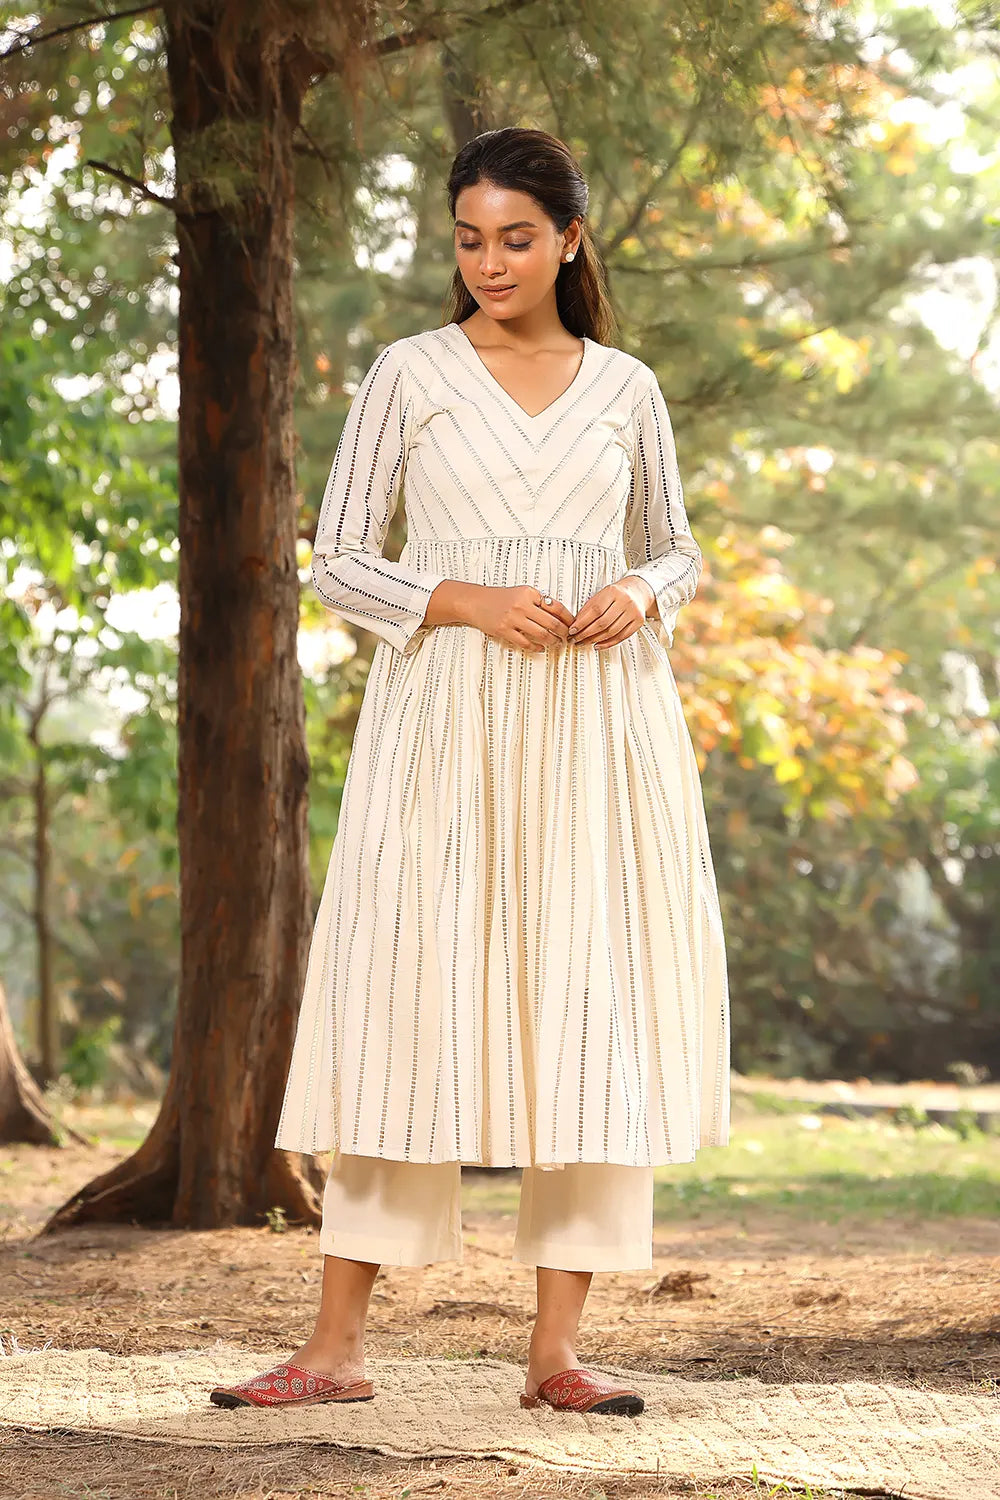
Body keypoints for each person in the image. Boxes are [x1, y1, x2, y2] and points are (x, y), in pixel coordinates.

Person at [210, 126, 730, 1419]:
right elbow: (338, 559)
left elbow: (677, 547)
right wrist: (462, 599)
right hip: (440, 722)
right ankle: (335, 1348)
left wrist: (638, 591)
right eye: (469, 239)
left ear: (569, 240)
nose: (490, 263)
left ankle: (556, 1355)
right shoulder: (411, 373)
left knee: (588, 1004)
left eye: (516, 238)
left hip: (595, 728)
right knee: (402, 993)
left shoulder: (626, 388)